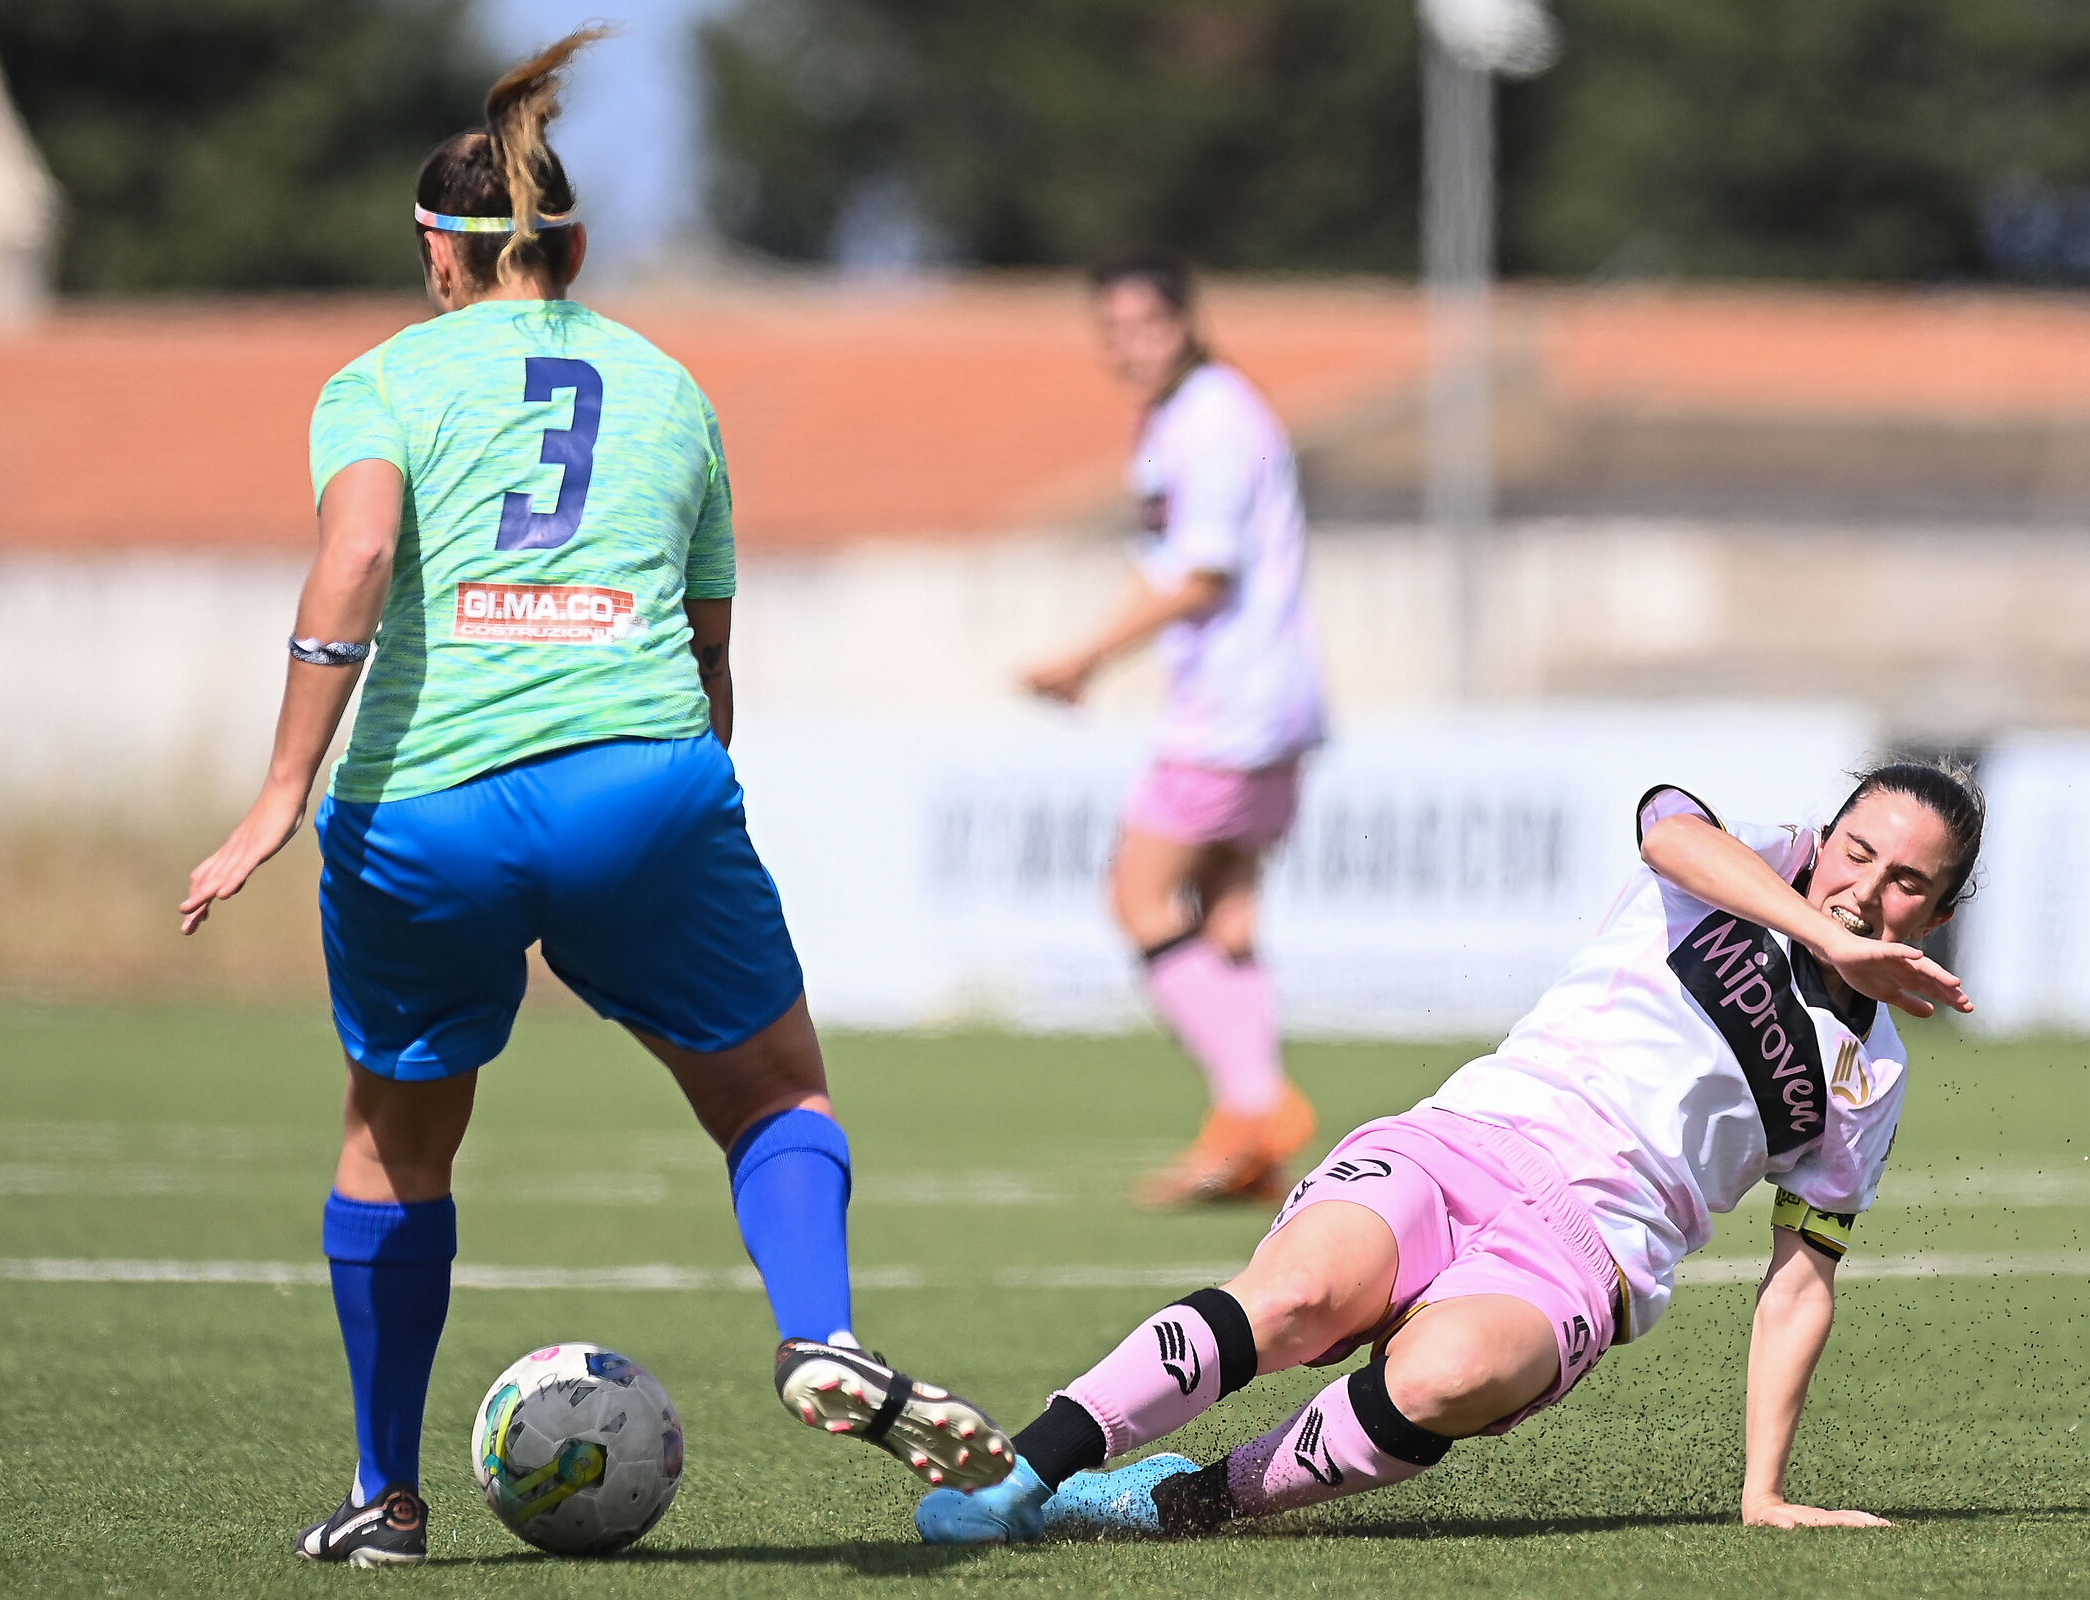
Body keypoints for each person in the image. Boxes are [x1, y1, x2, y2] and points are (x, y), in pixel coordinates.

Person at [178, 31, 1010, 1567]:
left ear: (439, 249)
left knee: (396, 1144)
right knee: (773, 1095)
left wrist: (278, 788)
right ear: (571, 245)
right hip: (641, 783)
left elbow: (356, 559)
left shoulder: (382, 379)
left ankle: (386, 1498)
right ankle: (815, 1330)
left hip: (423, 813)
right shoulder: (672, 389)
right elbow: (707, 644)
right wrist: (695, 806)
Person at [916, 762, 1985, 1542]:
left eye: (1905, 881)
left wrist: (1764, 1490)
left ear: (1935, 914)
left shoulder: (1871, 1075)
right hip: (1464, 1142)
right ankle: (1018, 1470)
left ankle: (1182, 1500)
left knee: (1447, 1373)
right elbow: (1663, 824)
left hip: (1588, 1253)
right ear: (1825, 827)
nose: (1865, 884)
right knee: (1296, 1296)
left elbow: (1800, 1283)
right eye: (1857, 847)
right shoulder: (1749, 858)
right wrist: (1824, 927)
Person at [1022, 249, 1330, 1207]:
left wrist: (1085, 657)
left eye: (1145, 326)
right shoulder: (1199, 413)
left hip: (1232, 708)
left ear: (1187, 320)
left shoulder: (1209, 422)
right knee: (1227, 911)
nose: (1128, 347)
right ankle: (1252, 1145)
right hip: (1272, 697)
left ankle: (1257, 1101)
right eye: (1111, 331)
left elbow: (1201, 574)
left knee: (1138, 895)